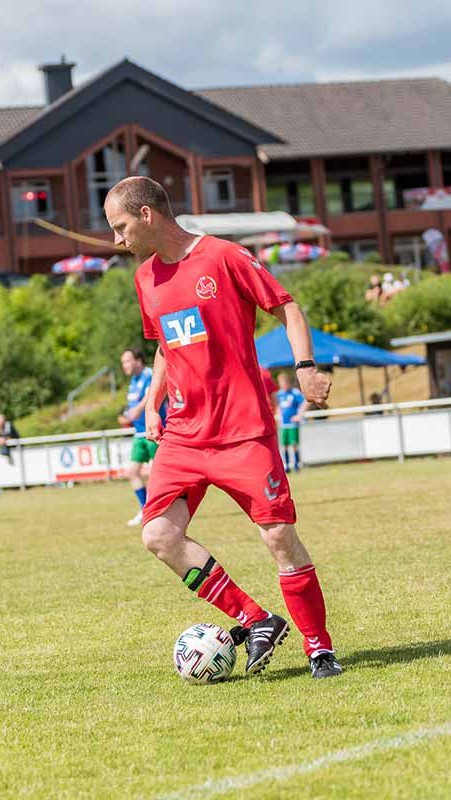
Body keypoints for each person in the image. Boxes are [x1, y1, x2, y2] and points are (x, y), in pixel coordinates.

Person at [105, 175, 342, 679]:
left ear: (147, 214)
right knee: (158, 535)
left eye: (120, 227)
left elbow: (288, 307)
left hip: (242, 431)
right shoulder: (145, 278)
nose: (116, 239)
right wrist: (152, 404)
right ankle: (255, 619)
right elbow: (165, 344)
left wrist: (305, 369)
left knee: (279, 538)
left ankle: (319, 649)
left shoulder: (224, 257)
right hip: (184, 435)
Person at [119, 348, 160, 527]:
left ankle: (158, 510)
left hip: (154, 431)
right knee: (132, 472)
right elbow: (133, 406)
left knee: (157, 473)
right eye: (123, 362)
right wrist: (127, 416)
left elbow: (152, 393)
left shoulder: (149, 374)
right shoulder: (133, 381)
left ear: (138, 360)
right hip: (139, 434)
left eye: (127, 361)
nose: (124, 365)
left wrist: (138, 409)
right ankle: (145, 509)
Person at [275, 372, 307, 472]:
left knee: (294, 444)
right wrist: (279, 416)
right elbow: (278, 406)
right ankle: (287, 465)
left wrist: (299, 415)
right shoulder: (279, 394)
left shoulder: (295, 392)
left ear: (288, 382)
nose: (283, 385)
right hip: (284, 424)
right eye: (281, 383)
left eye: (285, 382)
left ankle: (297, 464)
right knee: (284, 445)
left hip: (293, 423)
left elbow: (304, 402)